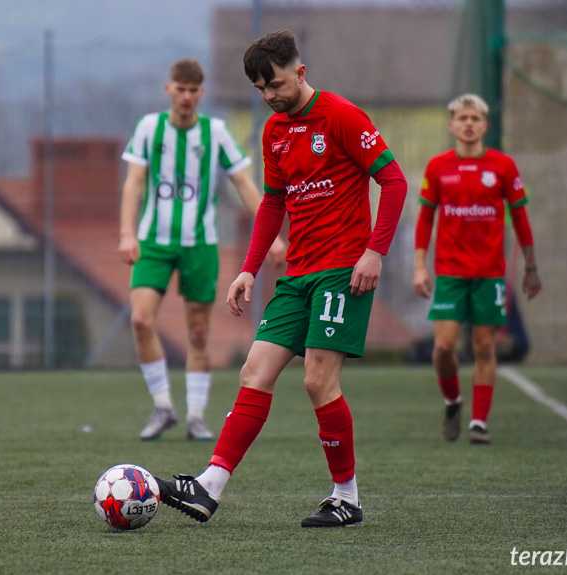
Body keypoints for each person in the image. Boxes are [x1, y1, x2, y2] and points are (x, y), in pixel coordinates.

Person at [154, 30, 407, 528]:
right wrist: (248, 269)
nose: (270, 96)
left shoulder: (340, 116)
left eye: (276, 84)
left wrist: (374, 253)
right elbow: (273, 202)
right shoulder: (274, 132)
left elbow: (394, 180)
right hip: (296, 276)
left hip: (342, 271)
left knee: (317, 380)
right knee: (255, 373)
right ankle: (209, 488)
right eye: (260, 89)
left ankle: (346, 498)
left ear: (301, 72)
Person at [119, 58, 285, 441]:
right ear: (169, 90)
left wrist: (272, 234)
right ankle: (163, 407)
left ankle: (195, 415)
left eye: (194, 91)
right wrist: (127, 233)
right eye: (180, 89)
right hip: (153, 243)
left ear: (201, 93)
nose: (187, 97)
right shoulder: (149, 128)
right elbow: (133, 184)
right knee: (141, 321)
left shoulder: (216, 132)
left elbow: (243, 183)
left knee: (197, 333)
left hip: (200, 245)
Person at [413, 93, 542, 445]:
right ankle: (453, 402)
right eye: (462, 118)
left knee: (485, 346)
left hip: (488, 274)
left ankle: (479, 423)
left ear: (484, 126)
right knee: (443, 347)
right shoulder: (438, 167)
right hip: (451, 273)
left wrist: (531, 266)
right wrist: (419, 266)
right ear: (452, 125)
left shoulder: (502, 166)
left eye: (475, 119)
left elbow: (520, 218)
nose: (468, 124)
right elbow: (426, 218)